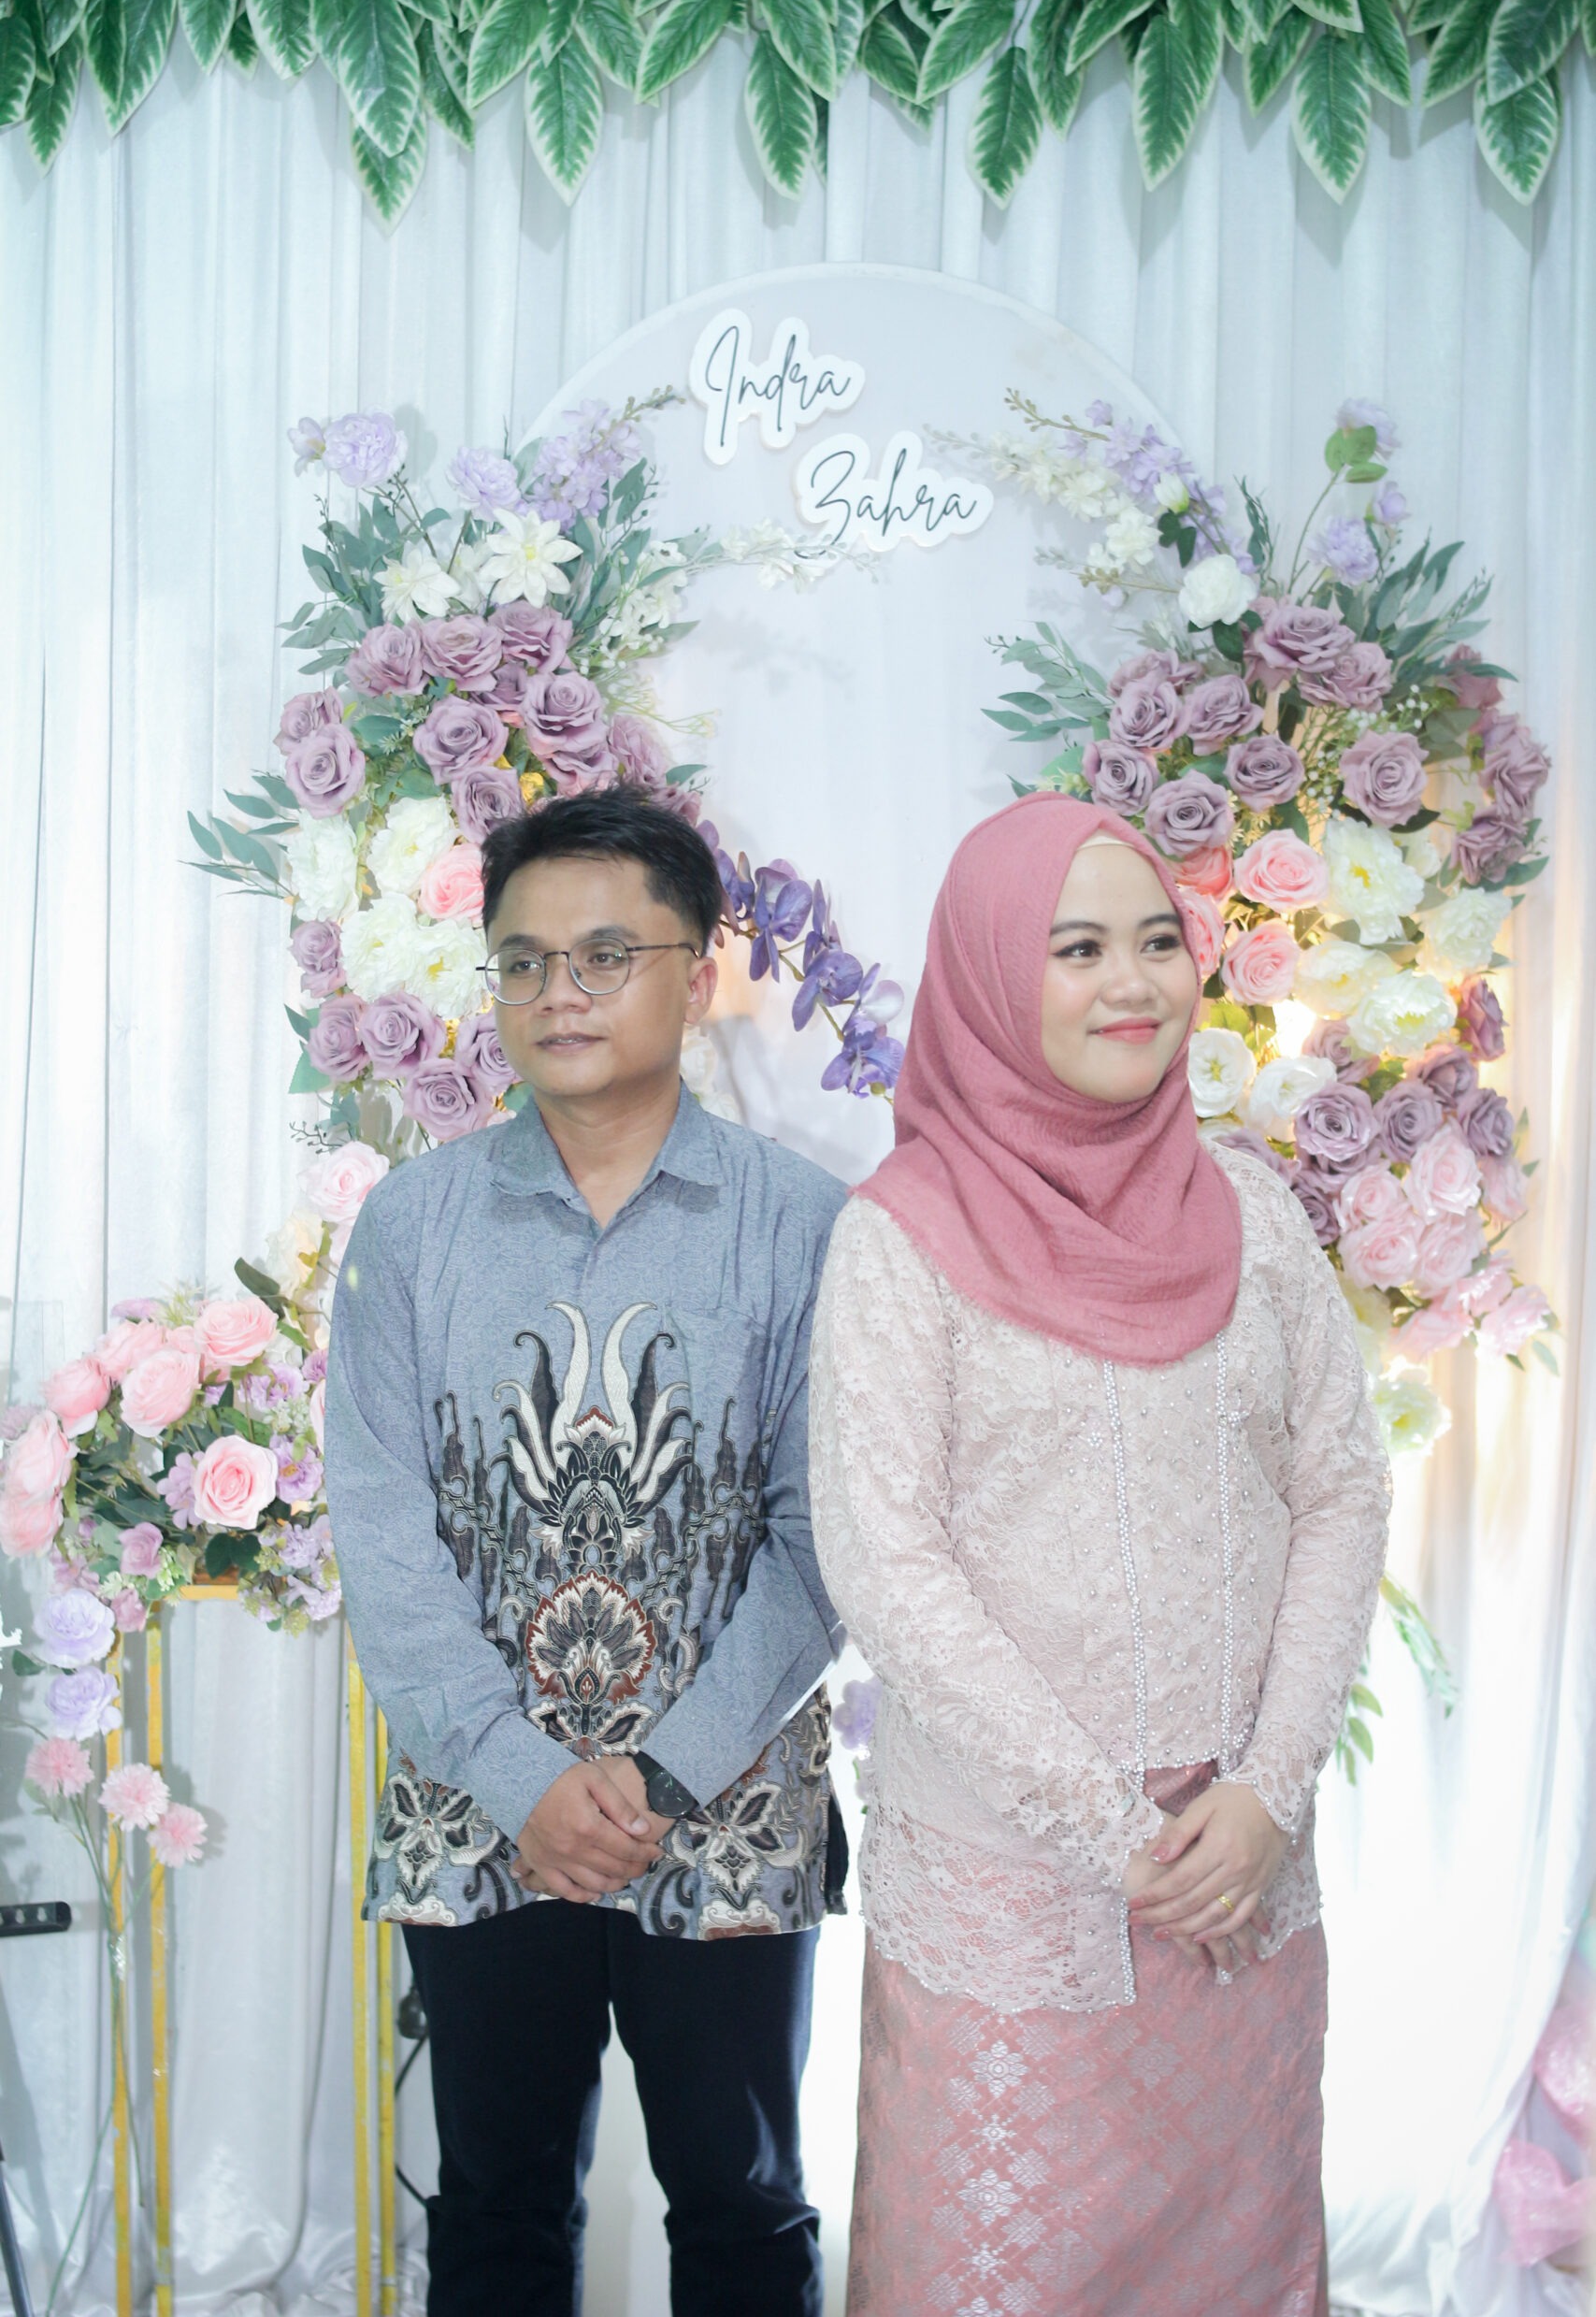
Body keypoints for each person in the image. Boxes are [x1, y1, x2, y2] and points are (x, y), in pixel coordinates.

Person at [808, 792, 1392, 2316]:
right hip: (1019, 1898)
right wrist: (1113, 1835)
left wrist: (1267, 1793)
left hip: (1239, 1883)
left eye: (1155, 942)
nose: (1132, 984)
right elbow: (887, 1566)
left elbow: (1340, 1488)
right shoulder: (901, 1239)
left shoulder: (1252, 1214)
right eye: (1076, 949)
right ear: (993, 976)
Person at [324, 786, 848, 2317]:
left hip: (729, 1806)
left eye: (608, 954)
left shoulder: (806, 1225)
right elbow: (382, 1526)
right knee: (494, 2206)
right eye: (525, 960)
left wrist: (662, 1774)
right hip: (476, 1807)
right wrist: (519, 1778)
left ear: (699, 970)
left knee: (744, 2206)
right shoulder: (415, 1226)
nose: (561, 991)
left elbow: (827, 1537)